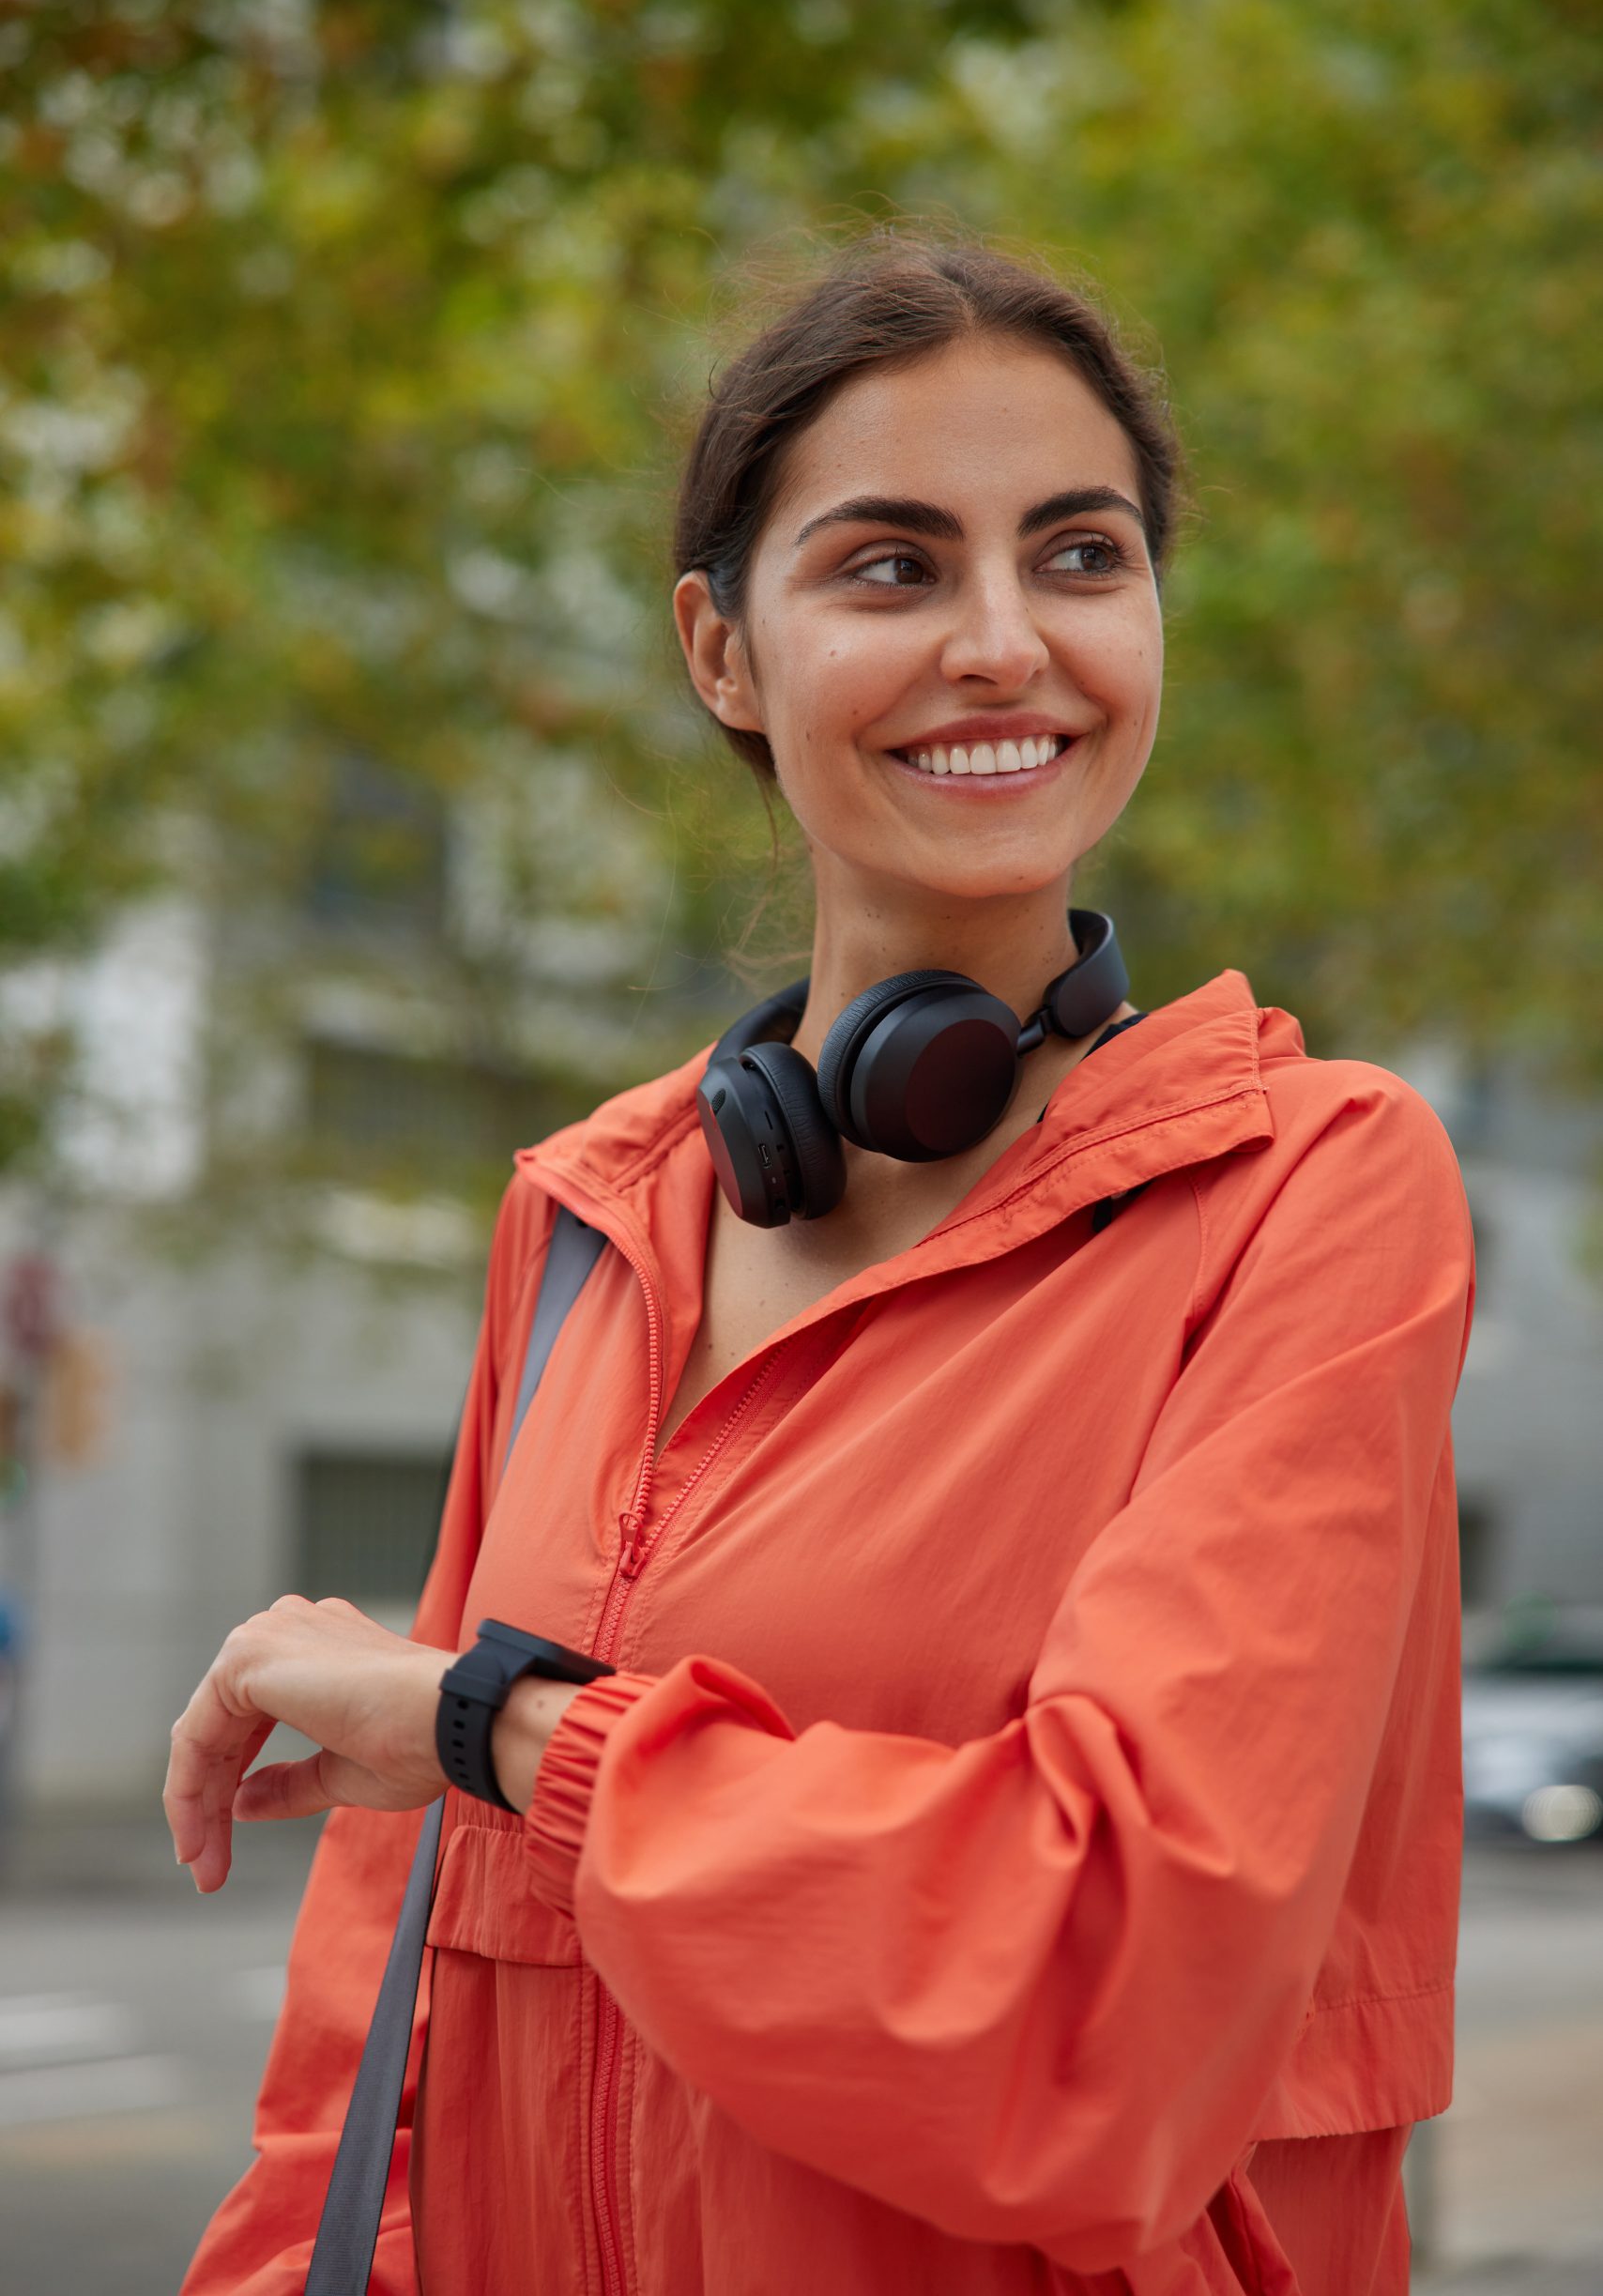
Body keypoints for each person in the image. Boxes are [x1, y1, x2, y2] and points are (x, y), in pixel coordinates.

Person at [169, 237, 1473, 2296]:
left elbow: (1097, 2001)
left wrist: (514, 1726)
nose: (1000, 643)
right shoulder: (588, 1213)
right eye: (887, 566)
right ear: (720, 649)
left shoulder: (1307, 1189)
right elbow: (373, 2046)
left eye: (1076, 555)